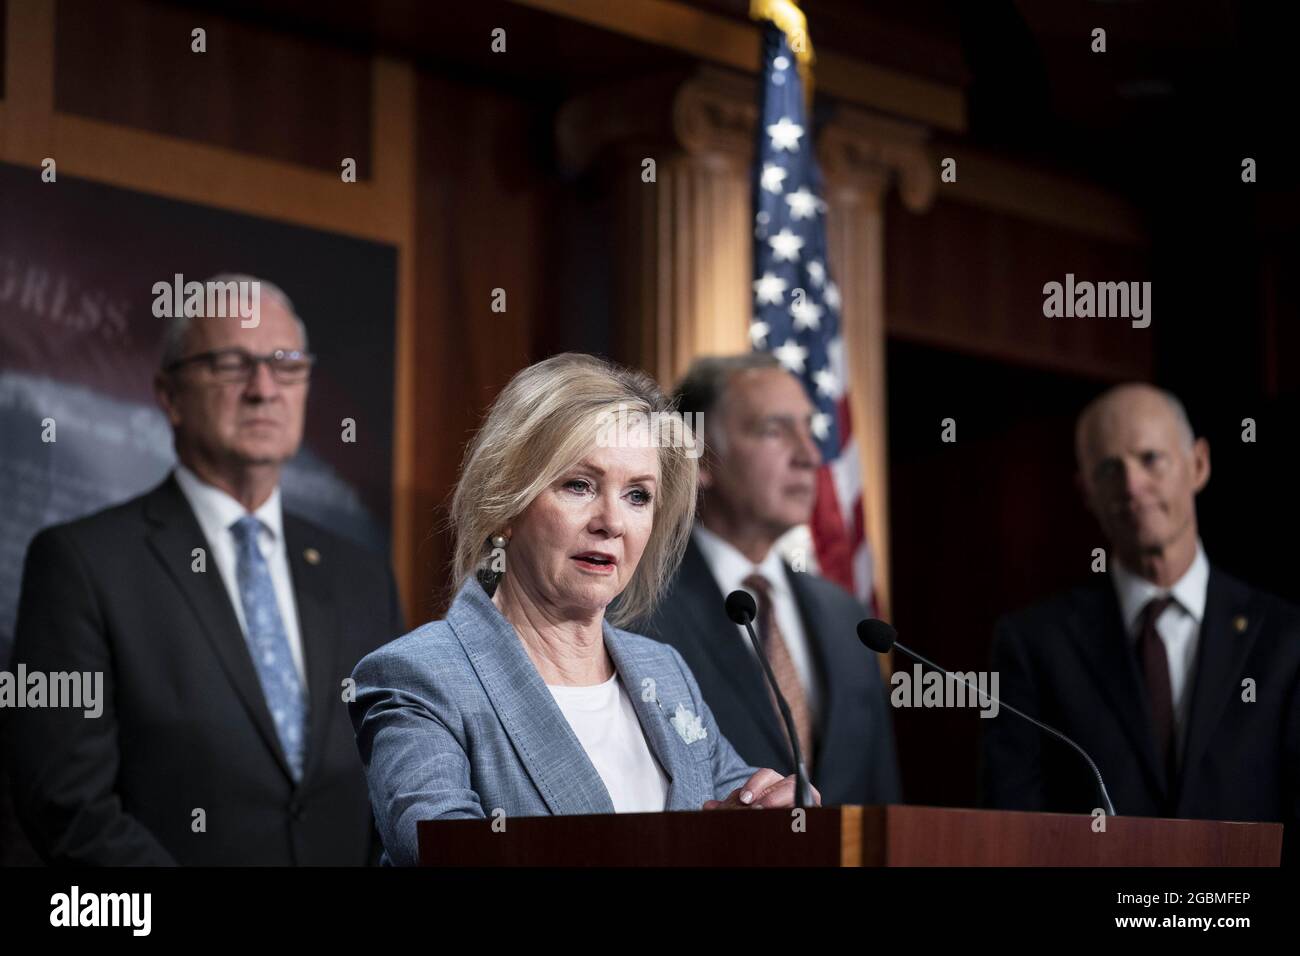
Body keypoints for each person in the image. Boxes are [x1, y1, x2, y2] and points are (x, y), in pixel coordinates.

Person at [349, 353, 818, 866]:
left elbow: (736, 807)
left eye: (638, 495)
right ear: (506, 504)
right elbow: (445, 852)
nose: (612, 521)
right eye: (580, 485)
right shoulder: (419, 677)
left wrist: (772, 812)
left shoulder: (665, 673)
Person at [3, 275, 404, 865]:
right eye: (231, 364)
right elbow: (69, 807)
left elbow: (393, 781)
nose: (264, 388)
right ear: (169, 395)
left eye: (285, 364)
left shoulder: (363, 578)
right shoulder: (81, 565)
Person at [981, 384, 1300, 851]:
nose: (1132, 486)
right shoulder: (1033, 644)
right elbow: (1011, 830)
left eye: (1151, 459)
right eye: (1110, 469)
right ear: (1085, 491)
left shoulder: (1286, 638)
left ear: (1199, 464)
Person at [635, 354, 900, 806]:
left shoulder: (848, 618)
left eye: (809, 430)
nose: (809, 456)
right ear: (700, 458)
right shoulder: (640, 606)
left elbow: (880, 795)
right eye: (774, 431)